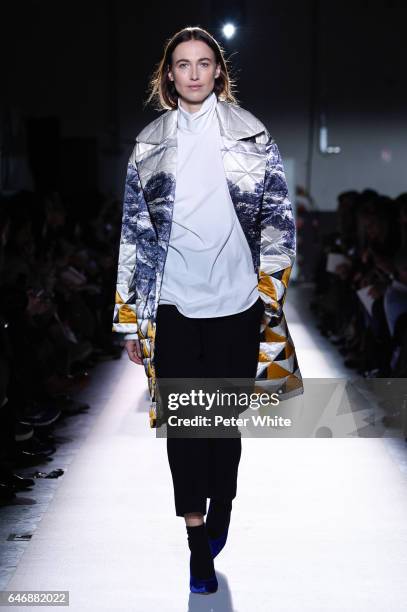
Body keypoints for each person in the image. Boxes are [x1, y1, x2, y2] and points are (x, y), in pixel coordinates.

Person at [112, 26, 303, 595]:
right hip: (172, 301)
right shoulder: (149, 144)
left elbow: (277, 219)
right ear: (168, 75)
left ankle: (221, 508)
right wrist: (129, 316)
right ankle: (197, 542)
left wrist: (270, 291)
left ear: (218, 71)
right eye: (182, 64)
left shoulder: (253, 136)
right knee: (184, 428)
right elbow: (133, 232)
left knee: (221, 426)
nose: (193, 73)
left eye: (203, 63)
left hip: (237, 302)